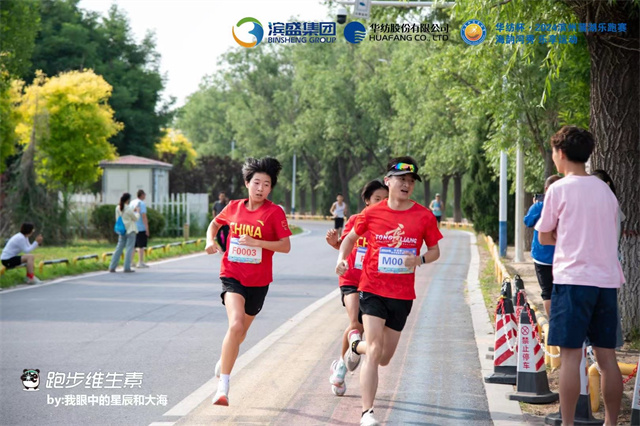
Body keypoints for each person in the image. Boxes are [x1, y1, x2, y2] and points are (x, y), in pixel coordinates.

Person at [336, 157, 442, 426]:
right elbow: (349, 238)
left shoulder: (424, 216)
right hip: (371, 288)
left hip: (402, 295)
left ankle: (354, 346)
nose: (407, 184)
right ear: (388, 181)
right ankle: (367, 413)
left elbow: (435, 251)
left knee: (383, 357)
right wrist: (341, 259)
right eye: (401, 179)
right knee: (374, 350)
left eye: (411, 181)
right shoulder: (371, 213)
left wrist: (419, 260)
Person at [536, 126, 624, 426]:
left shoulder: (559, 189)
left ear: (560, 153)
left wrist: (565, 236)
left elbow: (544, 235)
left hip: (572, 280)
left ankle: (568, 423)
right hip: (606, 282)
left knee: (571, 358)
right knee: (607, 359)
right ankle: (611, 423)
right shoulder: (605, 191)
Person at [205, 157, 292, 406]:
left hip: (259, 281)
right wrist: (210, 240)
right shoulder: (233, 207)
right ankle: (223, 387)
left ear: (271, 188)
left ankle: (225, 357)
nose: (260, 188)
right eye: (256, 183)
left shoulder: (274, 212)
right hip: (232, 275)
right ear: (247, 183)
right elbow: (214, 224)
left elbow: (285, 245)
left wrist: (257, 243)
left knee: (241, 332)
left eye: (266, 184)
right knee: (235, 325)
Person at [325, 180, 388, 396]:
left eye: (385, 199)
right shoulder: (355, 220)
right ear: (367, 200)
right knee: (354, 322)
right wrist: (334, 243)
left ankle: (340, 364)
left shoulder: (388, 227)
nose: (381, 202)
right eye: (377, 199)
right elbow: (345, 245)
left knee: (359, 327)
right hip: (350, 278)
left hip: (372, 283)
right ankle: (343, 368)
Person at [591, 169, 625, 349]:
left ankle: (610, 342)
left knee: (605, 305)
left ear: (607, 184)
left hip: (605, 262)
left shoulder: (608, 204)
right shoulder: (608, 203)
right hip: (604, 262)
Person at [523, 174, 561, 317]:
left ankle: (552, 322)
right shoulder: (566, 205)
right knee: (561, 290)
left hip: (542, 256)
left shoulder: (539, 206)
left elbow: (528, 222)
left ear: (546, 189)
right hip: (562, 255)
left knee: (547, 292)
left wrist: (535, 206)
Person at [109, 193, 140, 273]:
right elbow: (135, 218)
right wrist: (137, 212)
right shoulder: (128, 209)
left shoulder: (117, 208)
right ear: (128, 200)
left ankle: (112, 267)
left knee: (119, 248)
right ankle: (126, 267)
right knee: (129, 249)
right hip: (130, 230)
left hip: (122, 230)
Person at [130, 189, 149, 268]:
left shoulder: (132, 203)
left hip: (132, 226)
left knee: (133, 245)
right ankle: (140, 262)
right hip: (140, 227)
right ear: (142, 195)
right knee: (141, 245)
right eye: (144, 194)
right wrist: (147, 228)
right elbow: (143, 216)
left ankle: (131, 262)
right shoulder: (142, 203)